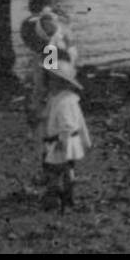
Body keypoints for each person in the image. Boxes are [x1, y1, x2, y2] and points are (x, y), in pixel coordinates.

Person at [41, 61, 91, 212]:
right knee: (68, 168)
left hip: (62, 141)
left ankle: (58, 197)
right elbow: (81, 121)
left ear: (62, 83)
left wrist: (63, 140)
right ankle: (68, 196)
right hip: (72, 141)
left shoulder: (63, 102)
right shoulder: (69, 99)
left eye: (52, 79)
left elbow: (67, 124)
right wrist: (85, 139)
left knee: (55, 170)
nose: (49, 82)